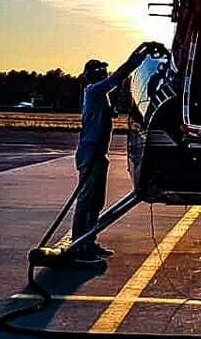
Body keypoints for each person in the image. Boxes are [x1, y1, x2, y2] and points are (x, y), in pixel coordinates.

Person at [71, 42, 158, 261]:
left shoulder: (101, 96)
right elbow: (118, 76)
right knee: (86, 199)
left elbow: (115, 90)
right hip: (90, 153)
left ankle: (88, 241)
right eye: (101, 71)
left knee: (96, 201)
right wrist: (139, 56)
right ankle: (78, 243)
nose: (105, 74)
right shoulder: (94, 91)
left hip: (98, 153)